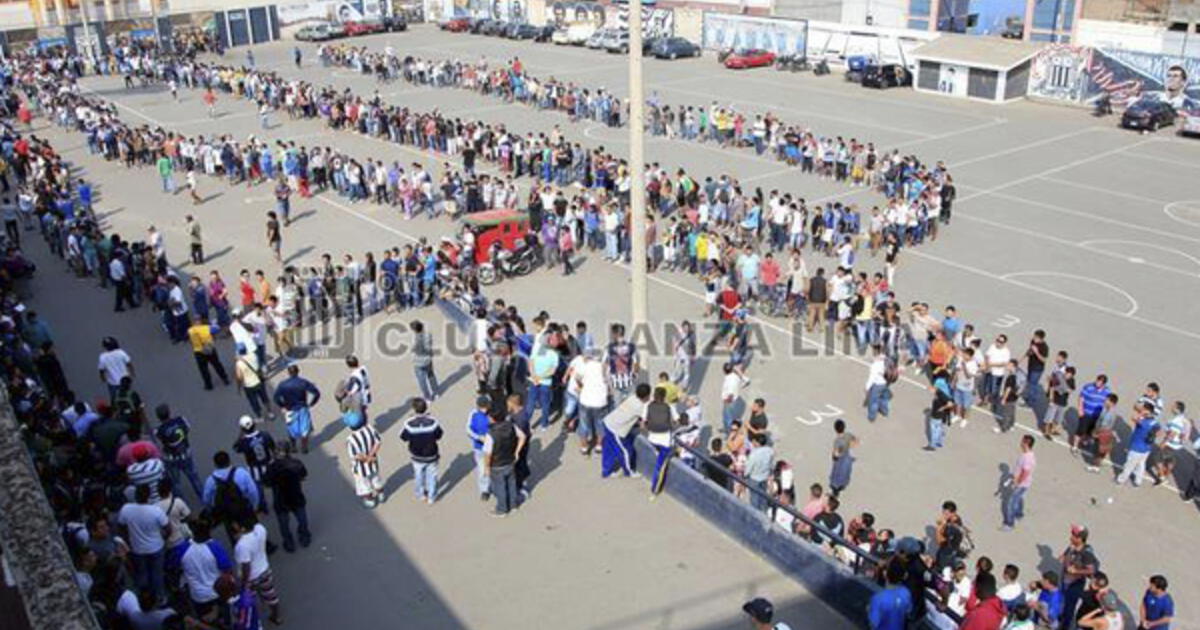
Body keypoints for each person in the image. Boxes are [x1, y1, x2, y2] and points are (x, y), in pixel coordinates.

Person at [117, 484, 171, 604]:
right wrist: (163, 538)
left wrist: (128, 539)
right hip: (156, 547)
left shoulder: (126, 509)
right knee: (157, 574)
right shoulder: (156, 511)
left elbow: (120, 527)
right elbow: (168, 528)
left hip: (138, 549)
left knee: (142, 574)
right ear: (148, 496)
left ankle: (144, 597)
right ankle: (160, 597)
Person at [231, 515, 282, 626]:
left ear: (242, 528)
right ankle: (276, 616)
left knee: (250, 601)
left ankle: (255, 621)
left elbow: (246, 567)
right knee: (270, 594)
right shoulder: (260, 529)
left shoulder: (242, 546)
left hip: (251, 578)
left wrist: (243, 583)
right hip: (264, 569)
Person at [263, 441, 311, 553]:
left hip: (280, 498)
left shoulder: (272, 467)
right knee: (302, 519)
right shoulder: (296, 463)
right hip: (296, 496)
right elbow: (304, 475)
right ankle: (304, 537)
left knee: (284, 524)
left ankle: (289, 543)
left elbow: (266, 482)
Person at [483, 405, 527, 517]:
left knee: (500, 487)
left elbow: (488, 454)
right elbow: (522, 436)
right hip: (510, 461)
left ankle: (502, 509)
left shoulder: (491, 435)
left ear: (493, 418)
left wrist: (487, 467)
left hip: (497, 465)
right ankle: (513, 505)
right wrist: (517, 452)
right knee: (511, 484)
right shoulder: (511, 426)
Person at [400, 398, 444, 505]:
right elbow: (439, 435)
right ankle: (431, 497)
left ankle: (421, 494)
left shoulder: (409, 424)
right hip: (432, 454)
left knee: (419, 475)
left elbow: (403, 437)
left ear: (414, 409)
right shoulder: (433, 422)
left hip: (416, 455)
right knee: (432, 475)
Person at [154, 404, 204, 499]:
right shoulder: (181, 420)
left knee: (176, 482)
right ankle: (202, 497)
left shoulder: (158, 430)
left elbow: (158, 441)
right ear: (169, 412)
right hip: (185, 454)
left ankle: (181, 504)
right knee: (194, 477)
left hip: (171, 458)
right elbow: (188, 428)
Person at [602, 383, 650, 478]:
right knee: (626, 451)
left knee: (609, 449)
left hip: (609, 422)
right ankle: (629, 472)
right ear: (646, 396)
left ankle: (606, 471)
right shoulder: (641, 407)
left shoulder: (632, 398)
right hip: (616, 429)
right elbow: (644, 424)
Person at [273, 364, 321, 454]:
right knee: (305, 429)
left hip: (290, 409)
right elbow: (316, 393)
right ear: (298, 371)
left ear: (288, 373)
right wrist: (312, 403)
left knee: (291, 429)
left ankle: (293, 447)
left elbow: (276, 398)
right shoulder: (303, 382)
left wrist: (283, 405)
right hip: (302, 407)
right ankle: (304, 447)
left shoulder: (283, 385)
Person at [1059, 525, 1099, 627]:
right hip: (1065, 580)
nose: (1070, 537)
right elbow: (1064, 556)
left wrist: (1076, 571)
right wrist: (1063, 557)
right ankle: (1062, 618)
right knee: (1062, 602)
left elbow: (1091, 570)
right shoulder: (1072, 546)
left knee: (1069, 607)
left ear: (1080, 539)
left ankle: (1065, 626)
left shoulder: (1086, 553)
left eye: (1073, 535)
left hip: (1075, 584)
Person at [346, 412, 385, 509]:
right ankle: (381, 495)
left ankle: (370, 500)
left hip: (360, 468)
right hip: (373, 463)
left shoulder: (351, 439)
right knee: (376, 479)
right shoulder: (370, 429)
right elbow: (378, 442)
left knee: (364, 484)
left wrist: (367, 458)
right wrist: (371, 455)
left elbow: (356, 456)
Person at [644, 385, 678, 496]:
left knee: (656, 459)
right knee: (660, 465)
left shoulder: (647, 406)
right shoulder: (669, 406)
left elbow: (644, 421)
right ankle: (655, 489)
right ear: (664, 397)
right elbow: (677, 421)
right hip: (665, 440)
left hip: (651, 438)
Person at [1116, 401, 1157, 487]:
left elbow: (1133, 418)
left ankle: (1121, 479)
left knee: (1129, 465)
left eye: (1143, 408)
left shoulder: (1143, 422)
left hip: (1137, 448)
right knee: (1141, 464)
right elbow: (1159, 431)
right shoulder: (1154, 421)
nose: (1141, 409)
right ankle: (1138, 481)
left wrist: (1141, 414)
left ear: (1147, 411)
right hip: (1147, 448)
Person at [1001, 435, 1036, 531]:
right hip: (1023, 483)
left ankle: (1009, 523)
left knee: (1011, 503)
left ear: (1026, 444)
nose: (1020, 443)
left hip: (1021, 484)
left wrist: (1017, 482)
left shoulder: (1027, 458)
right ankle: (1019, 514)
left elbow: (1025, 472)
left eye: (1022, 441)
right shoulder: (1028, 455)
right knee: (1019, 498)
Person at [188, 316, 230, 390]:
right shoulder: (207, 328)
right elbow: (217, 328)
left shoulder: (190, 330)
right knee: (217, 364)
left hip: (198, 351)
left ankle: (208, 385)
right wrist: (212, 323)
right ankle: (225, 379)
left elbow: (190, 339)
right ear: (201, 321)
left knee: (203, 369)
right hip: (210, 349)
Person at [869, 562, 912, 630]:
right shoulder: (906, 593)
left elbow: (873, 624)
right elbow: (908, 612)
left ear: (885, 574)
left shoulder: (878, 598)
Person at [466, 396, 493, 501]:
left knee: (494, 467)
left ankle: (495, 485)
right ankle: (484, 490)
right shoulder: (473, 414)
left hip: (493, 447)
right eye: (482, 407)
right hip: (479, 448)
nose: (484, 409)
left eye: (485, 407)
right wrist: (478, 437)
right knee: (482, 469)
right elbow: (468, 430)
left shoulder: (492, 413)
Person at [98, 336, 134, 401]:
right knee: (129, 397)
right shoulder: (121, 353)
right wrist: (132, 373)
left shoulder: (103, 357)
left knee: (114, 400)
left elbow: (101, 370)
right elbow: (129, 364)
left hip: (113, 383)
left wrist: (103, 378)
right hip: (124, 381)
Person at [411, 320, 440, 401]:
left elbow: (413, 349)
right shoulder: (428, 335)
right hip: (428, 360)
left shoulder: (415, 338)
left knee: (422, 381)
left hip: (418, 362)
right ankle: (436, 392)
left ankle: (427, 397)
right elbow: (429, 346)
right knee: (431, 376)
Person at [829, 419, 858, 497]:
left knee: (837, 474)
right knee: (845, 472)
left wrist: (834, 456)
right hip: (847, 456)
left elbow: (836, 454)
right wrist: (850, 446)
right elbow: (855, 441)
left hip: (840, 460)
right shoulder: (848, 435)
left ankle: (835, 491)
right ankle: (843, 485)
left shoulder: (837, 441)